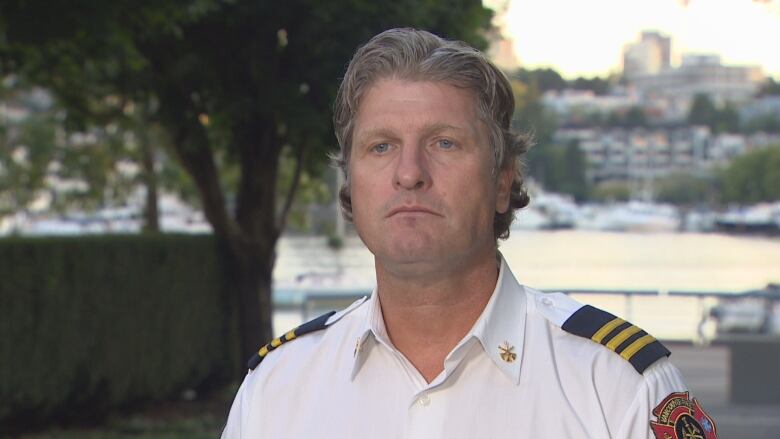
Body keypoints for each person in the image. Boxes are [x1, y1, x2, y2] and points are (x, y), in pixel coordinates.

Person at [221, 28, 718, 439]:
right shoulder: (276, 388)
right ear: (350, 183)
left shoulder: (618, 387)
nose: (410, 172)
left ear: (503, 181)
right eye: (381, 146)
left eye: (445, 142)